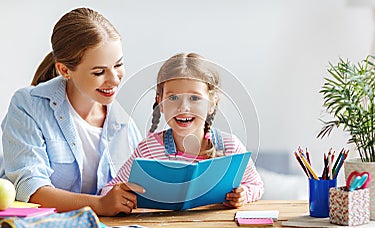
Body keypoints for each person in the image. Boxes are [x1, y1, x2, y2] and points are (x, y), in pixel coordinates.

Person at [0, 7, 145, 216]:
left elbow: (136, 184)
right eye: (99, 71)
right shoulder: (27, 105)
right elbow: (30, 190)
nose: (115, 79)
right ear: (65, 70)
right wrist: (100, 204)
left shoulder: (122, 121)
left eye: (118, 64)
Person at [101, 53, 264, 207]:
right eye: (173, 98)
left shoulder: (230, 147)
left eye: (194, 98)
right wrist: (125, 198)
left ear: (212, 103)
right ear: (161, 103)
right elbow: (109, 190)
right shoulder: (148, 150)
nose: (183, 107)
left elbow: (255, 185)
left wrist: (243, 195)